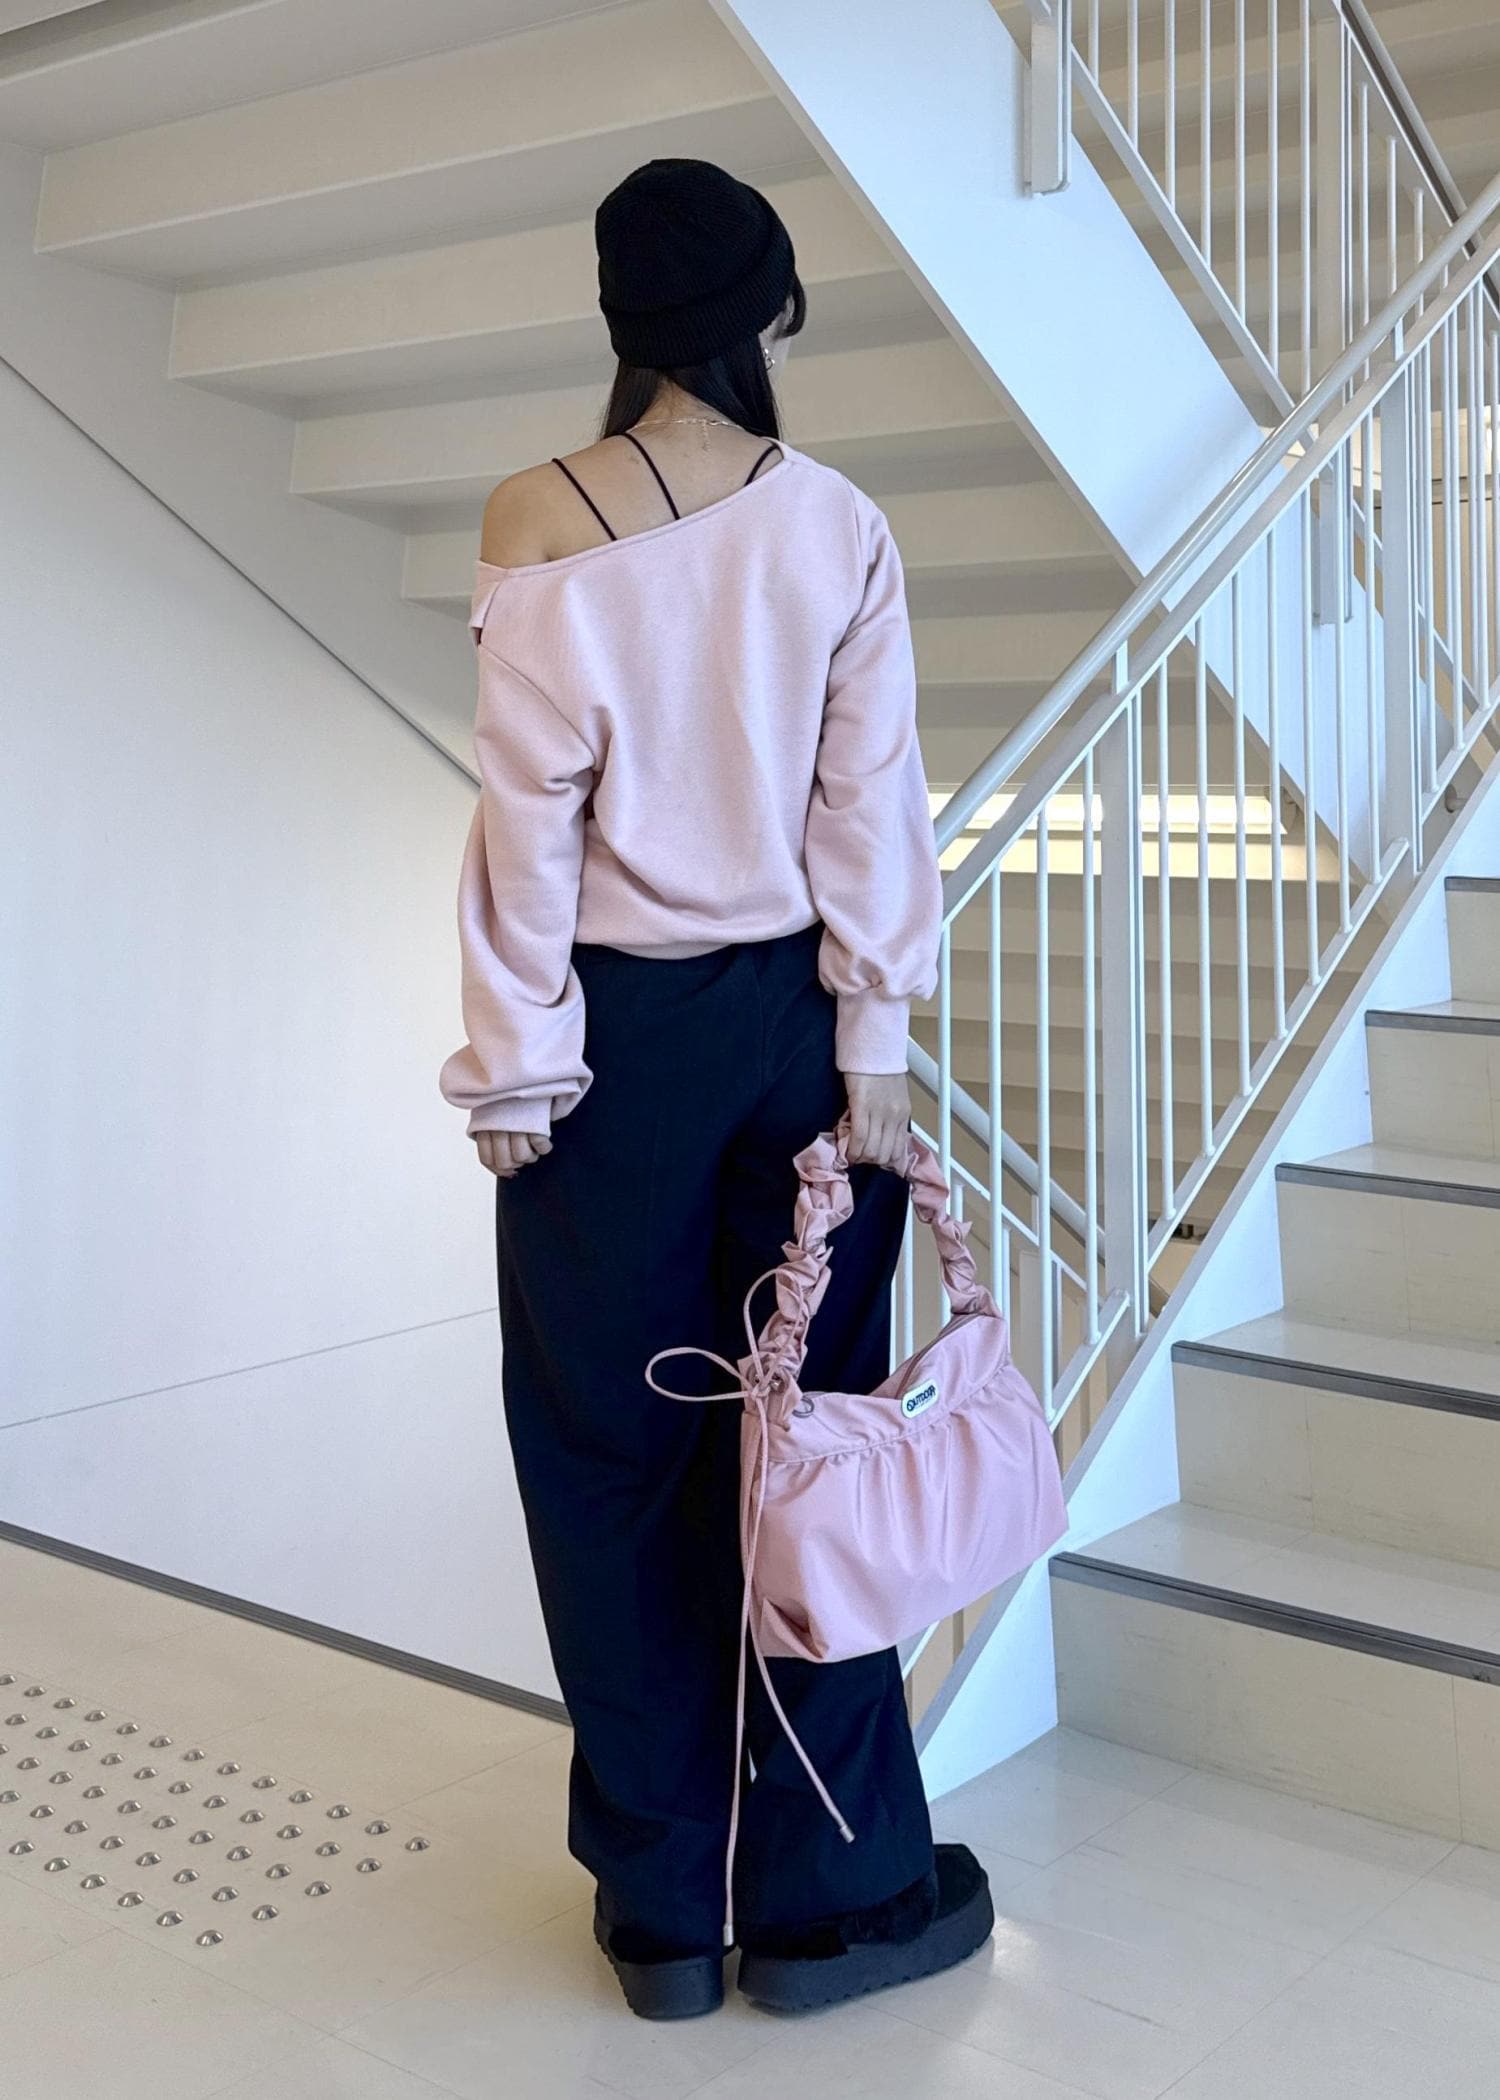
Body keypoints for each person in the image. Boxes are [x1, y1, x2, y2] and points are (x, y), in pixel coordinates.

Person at [438, 158, 991, 2020]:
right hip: (794, 1036)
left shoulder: (535, 512)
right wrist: (875, 1045)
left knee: (610, 1459)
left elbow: (527, 825)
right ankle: (834, 1902)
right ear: (770, 314)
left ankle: (665, 1914)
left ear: (621, 320)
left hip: (610, 1049)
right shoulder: (835, 522)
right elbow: (870, 806)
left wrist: (517, 1060)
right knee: (809, 1451)